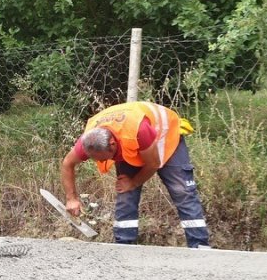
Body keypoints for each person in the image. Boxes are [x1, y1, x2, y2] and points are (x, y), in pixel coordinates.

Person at [59, 101, 210, 249]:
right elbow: (67, 164)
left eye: (105, 158)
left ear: (112, 144)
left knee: (182, 191)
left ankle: (200, 247)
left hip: (166, 137)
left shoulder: (137, 131)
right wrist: (71, 199)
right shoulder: (89, 139)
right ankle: (124, 247)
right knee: (125, 192)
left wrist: (134, 182)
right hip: (132, 145)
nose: (104, 162)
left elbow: (153, 164)